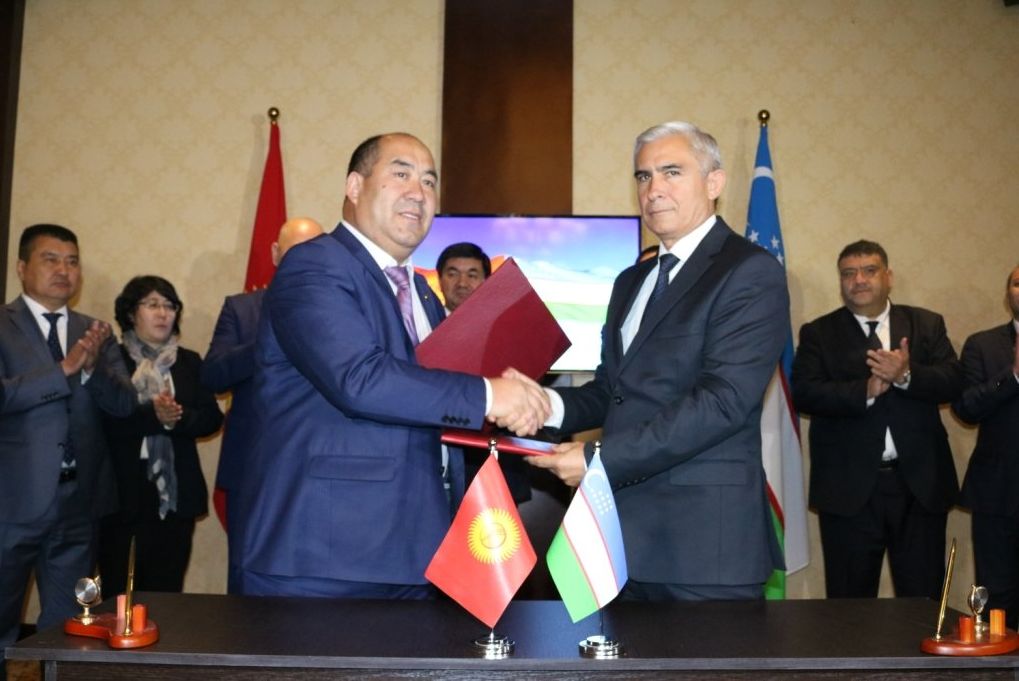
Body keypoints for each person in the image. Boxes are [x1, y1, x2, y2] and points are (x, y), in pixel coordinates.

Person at [236, 132, 549, 599]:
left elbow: (430, 397)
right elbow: (359, 379)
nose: (418, 192)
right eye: (401, 174)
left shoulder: (422, 292)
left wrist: (516, 401)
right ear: (354, 186)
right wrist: (490, 395)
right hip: (327, 554)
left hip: (418, 549)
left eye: (429, 181)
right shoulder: (315, 264)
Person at [527, 121, 789, 601]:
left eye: (672, 172)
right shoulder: (631, 281)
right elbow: (614, 391)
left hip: (704, 548)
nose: (654, 189)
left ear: (714, 182)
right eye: (644, 176)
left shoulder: (749, 271)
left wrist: (599, 459)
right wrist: (543, 405)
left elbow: (722, 403)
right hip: (622, 541)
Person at [791, 240, 962, 599]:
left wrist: (906, 375)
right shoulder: (818, 332)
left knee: (923, 603)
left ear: (888, 276)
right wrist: (864, 390)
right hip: (848, 489)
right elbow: (804, 393)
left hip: (918, 486)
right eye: (849, 273)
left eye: (869, 271)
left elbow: (954, 381)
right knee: (849, 607)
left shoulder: (926, 324)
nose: (859, 280)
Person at [0, 224, 135, 668]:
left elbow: (123, 405)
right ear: (22, 267)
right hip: (11, 503)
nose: (64, 270)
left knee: (68, 630)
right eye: (51, 259)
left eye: (72, 261)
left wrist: (93, 371)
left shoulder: (95, 330)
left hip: (78, 503)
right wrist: (63, 370)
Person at [201, 217, 323, 594]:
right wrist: (269, 343)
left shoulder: (342, 311)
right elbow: (213, 375)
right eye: (295, 252)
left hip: (320, 468)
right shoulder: (242, 309)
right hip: (253, 468)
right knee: (247, 577)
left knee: (314, 578)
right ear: (275, 253)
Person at [98, 276, 223, 595]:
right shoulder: (111, 359)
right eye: (152, 304)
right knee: (119, 596)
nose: (163, 313)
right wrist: (152, 417)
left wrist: (174, 418)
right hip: (122, 493)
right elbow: (103, 420)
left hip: (176, 493)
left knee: (167, 595)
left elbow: (211, 418)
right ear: (131, 313)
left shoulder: (189, 362)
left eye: (170, 306)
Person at [433, 241, 530, 505]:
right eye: (453, 273)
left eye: (472, 274)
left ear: (487, 281)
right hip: (433, 464)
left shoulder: (509, 332)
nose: (462, 282)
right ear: (440, 280)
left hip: (494, 461)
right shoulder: (420, 327)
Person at [952, 264, 1019, 627]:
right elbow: (966, 408)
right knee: (998, 601)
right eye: (1018, 283)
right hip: (998, 494)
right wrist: (1014, 375)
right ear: (1007, 293)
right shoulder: (983, 344)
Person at [436, 241, 491, 313]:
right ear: (440, 281)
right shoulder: (424, 319)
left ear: (486, 283)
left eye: (471, 276)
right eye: (453, 274)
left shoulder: (499, 319)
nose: (462, 284)